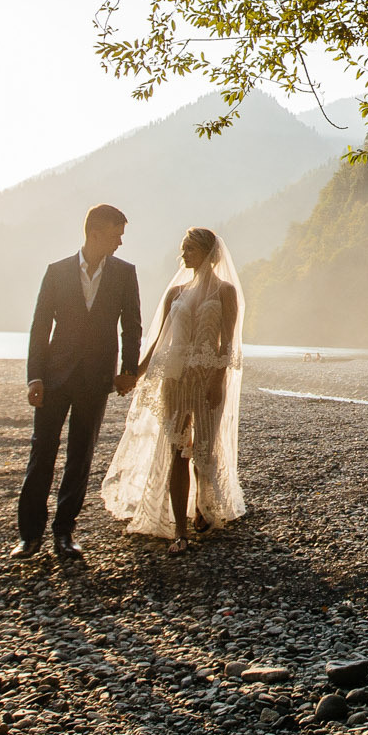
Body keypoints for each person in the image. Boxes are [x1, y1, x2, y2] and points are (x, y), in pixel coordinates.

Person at [100, 226, 246, 552]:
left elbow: (227, 341)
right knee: (176, 450)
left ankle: (203, 509)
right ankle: (179, 528)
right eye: (183, 249)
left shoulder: (225, 292)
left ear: (207, 253)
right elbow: (159, 341)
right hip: (175, 380)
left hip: (207, 378)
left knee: (204, 452)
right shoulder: (175, 293)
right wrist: (135, 373)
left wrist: (218, 380)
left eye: (189, 249)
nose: (183, 255)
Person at [14, 203, 145, 560]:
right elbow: (40, 327)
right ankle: (29, 536)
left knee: (80, 456)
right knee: (42, 453)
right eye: (116, 235)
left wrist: (129, 371)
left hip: (96, 378)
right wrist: (35, 376)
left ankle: (64, 533)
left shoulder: (124, 273)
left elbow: (131, 326)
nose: (120, 242)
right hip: (54, 377)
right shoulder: (56, 272)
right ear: (95, 234)